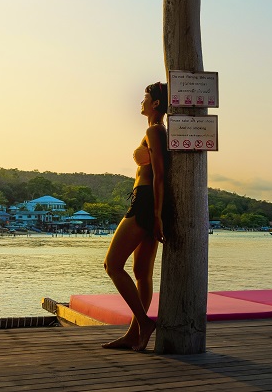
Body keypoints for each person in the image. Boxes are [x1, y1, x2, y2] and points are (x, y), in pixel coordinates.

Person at [103, 82, 169, 351]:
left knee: (112, 265)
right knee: (142, 272)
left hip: (145, 204)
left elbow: (160, 174)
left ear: (155, 104)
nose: (140, 102)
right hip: (149, 203)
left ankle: (143, 322)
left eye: (145, 98)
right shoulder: (158, 131)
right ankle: (134, 334)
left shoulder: (154, 130)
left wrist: (156, 214)